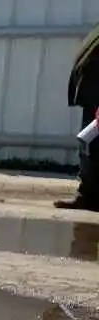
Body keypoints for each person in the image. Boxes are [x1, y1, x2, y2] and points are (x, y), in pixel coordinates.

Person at [56, 20, 99, 211]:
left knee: (93, 148)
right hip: (92, 94)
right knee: (89, 147)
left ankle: (88, 196)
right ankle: (87, 196)